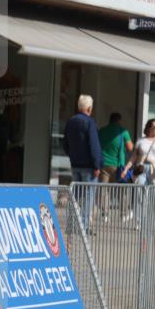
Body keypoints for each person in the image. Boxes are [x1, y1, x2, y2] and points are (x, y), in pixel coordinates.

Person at [63, 95, 102, 228]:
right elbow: (94, 145)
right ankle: (83, 226)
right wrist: (97, 165)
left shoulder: (70, 121)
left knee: (76, 196)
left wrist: (72, 156)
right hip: (89, 167)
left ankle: (71, 224)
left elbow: (65, 143)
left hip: (75, 165)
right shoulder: (90, 122)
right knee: (88, 197)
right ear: (89, 108)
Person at [122, 119, 155, 185]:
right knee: (140, 191)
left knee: (153, 193)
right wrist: (126, 169)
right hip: (141, 168)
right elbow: (133, 157)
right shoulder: (140, 141)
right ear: (149, 128)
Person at [98, 113, 133, 183]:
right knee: (116, 191)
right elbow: (130, 148)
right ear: (119, 121)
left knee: (102, 190)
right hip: (117, 166)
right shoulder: (123, 131)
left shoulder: (101, 130)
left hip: (103, 164)